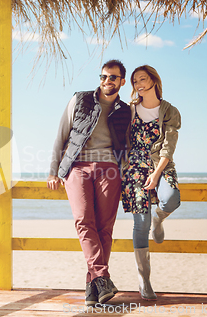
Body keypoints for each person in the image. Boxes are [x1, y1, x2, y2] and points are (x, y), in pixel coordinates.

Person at [47, 59, 131, 306]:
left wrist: (124, 171)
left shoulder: (125, 110)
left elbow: (125, 143)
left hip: (110, 170)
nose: (107, 81)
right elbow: (61, 136)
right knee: (84, 221)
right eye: (103, 76)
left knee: (105, 227)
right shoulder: (80, 99)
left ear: (122, 82)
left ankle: (92, 289)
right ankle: (102, 276)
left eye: (113, 77)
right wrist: (54, 171)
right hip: (78, 168)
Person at [121, 65, 181, 300]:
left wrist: (156, 175)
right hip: (134, 168)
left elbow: (169, 145)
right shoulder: (130, 110)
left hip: (161, 165)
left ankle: (160, 218)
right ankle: (144, 280)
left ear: (154, 81)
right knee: (140, 224)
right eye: (135, 81)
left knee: (170, 199)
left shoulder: (170, 111)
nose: (138, 84)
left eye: (143, 79)